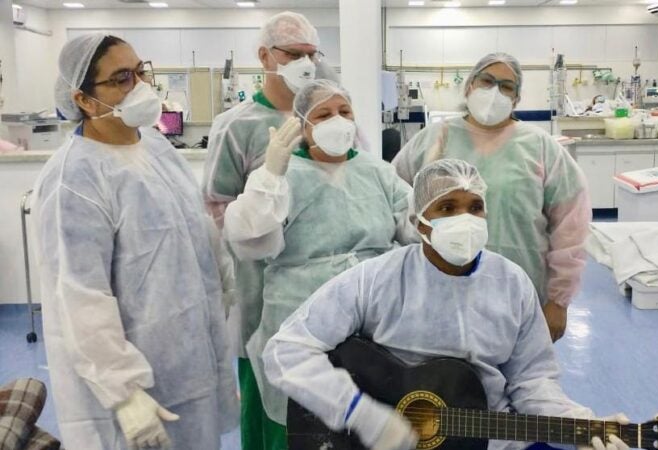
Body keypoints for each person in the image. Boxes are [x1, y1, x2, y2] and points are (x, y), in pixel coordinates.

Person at [263, 159, 627, 450]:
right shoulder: (376, 279)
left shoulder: (511, 283)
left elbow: (533, 379)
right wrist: (359, 413)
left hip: (491, 438)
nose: (464, 219)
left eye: (475, 207)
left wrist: (581, 425)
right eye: (447, 207)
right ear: (420, 222)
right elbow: (286, 349)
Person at [34, 33, 238, 450]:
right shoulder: (74, 179)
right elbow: (79, 297)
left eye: (141, 71)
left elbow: (196, 233)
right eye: (122, 78)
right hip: (132, 383)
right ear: (85, 100)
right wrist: (124, 392)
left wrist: (226, 293)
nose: (141, 86)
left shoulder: (157, 147)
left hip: (190, 360)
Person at [222, 79, 417, 449]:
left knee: (369, 418)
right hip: (300, 317)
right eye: (323, 114)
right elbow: (248, 238)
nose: (337, 120)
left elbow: (413, 227)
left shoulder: (378, 172)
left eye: (344, 112)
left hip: (371, 321)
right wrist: (270, 176)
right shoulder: (284, 175)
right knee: (302, 424)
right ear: (303, 125)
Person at [201, 11, 336, 450]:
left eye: (312, 54)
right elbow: (218, 212)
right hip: (260, 293)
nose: (306, 64)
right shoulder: (236, 126)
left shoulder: (330, 117)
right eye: (294, 54)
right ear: (265, 56)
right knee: (268, 416)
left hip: (327, 294)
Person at [392, 52, 591, 342]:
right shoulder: (433, 138)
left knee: (516, 365)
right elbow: (394, 198)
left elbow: (571, 228)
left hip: (517, 289)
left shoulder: (541, 148)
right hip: (435, 285)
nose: (494, 91)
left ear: (516, 98)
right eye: (486, 81)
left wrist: (558, 301)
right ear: (469, 86)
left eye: (506, 86)